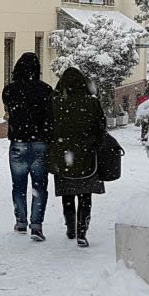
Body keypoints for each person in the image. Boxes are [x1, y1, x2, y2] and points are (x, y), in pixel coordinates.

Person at [49, 67, 106, 247]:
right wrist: (95, 145)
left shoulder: (56, 103)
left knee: (68, 192)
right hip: (87, 154)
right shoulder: (92, 103)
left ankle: (71, 227)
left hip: (64, 154)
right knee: (85, 194)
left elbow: (49, 128)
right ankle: (82, 231)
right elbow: (101, 127)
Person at [2, 52, 53, 241]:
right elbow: (50, 117)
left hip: (18, 143)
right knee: (39, 186)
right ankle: (37, 225)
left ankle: (21, 221)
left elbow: (9, 108)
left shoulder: (9, 91)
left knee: (19, 185)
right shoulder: (46, 90)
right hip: (40, 143)